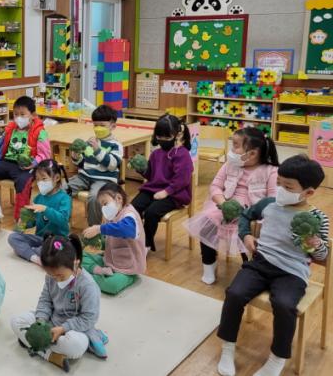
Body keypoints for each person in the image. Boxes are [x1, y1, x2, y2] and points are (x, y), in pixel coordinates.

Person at [217, 155, 329, 376]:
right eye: (279, 183)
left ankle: (277, 360)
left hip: (292, 272)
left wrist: (314, 244)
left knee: (285, 305)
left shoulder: (317, 217)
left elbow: (323, 254)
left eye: (288, 187)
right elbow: (245, 216)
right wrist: (246, 235)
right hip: (261, 263)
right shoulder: (269, 204)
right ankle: (227, 348)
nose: (280, 190)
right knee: (234, 294)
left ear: (308, 192)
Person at [185, 126, 279, 285]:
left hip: (253, 216)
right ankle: (209, 265)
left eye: (235, 145)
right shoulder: (230, 164)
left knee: (250, 236)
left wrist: (248, 213)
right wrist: (224, 204)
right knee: (206, 223)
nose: (231, 150)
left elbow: (272, 200)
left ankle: (252, 270)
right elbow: (215, 186)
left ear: (252, 153)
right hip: (225, 207)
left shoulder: (271, 171)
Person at [10, 234, 108, 372]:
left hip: (74, 329)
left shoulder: (88, 286)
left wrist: (63, 329)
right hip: (51, 322)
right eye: (52, 275)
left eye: (60, 276)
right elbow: (45, 300)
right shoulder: (51, 277)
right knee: (16, 321)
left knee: (75, 346)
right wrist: (41, 322)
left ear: (75, 263)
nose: (56, 280)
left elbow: (89, 318)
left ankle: (36, 346)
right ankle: (50, 355)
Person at [0, 96, 52, 220]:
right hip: (6, 162)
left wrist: (33, 163)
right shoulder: (11, 128)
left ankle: (21, 218)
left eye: (22, 114)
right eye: (16, 114)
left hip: (27, 167)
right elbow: (1, 147)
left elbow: (45, 154)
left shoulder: (40, 131)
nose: (18, 118)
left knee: (23, 183)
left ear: (33, 115)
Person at [131, 114, 193, 252]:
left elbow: (182, 179)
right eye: (160, 137)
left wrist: (166, 192)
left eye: (167, 137)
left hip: (175, 194)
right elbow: (151, 176)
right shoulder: (156, 154)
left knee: (151, 212)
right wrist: (142, 169)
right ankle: (134, 239)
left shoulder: (182, 154)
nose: (163, 140)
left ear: (177, 135)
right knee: (132, 208)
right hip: (154, 189)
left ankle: (146, 244)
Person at [81, 182, 147, 295]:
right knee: (78, 256)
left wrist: (99, 228)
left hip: (127, 268)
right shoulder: (113, 215)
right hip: (109, 260)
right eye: (101, 205)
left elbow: (126, 230)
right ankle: (99, 271)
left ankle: (86, 278)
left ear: (119, 198)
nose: (103, 208)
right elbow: (111, 239)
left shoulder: (130, 214)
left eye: (105, 203)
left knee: (111, 285)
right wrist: (98, 242)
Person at [8, 159, 71, 265]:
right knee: (13, 237)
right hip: (40, 239)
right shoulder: (38, 198)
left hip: (57, 240)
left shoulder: (64, 198)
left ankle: (29, 252)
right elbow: (33, 222)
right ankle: (36, 258)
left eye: (44, 179)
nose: (40, 183)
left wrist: (46, 209)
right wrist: (23, 223)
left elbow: (63, 220)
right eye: (37, 179)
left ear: (56, 178)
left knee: (55, 250)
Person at [68, 105, 123, 226]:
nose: (98, 128)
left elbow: (112, 165)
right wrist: (76, 158)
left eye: (102, 125)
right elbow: (83, 163)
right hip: (84, 177)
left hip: (104, 180)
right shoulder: (90, 141)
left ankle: (95, 230)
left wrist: (98, 150)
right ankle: (61, 222)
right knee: (62, 189)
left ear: (113, 126)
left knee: (95, 197)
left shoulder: (116, 145)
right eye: (95, 125)